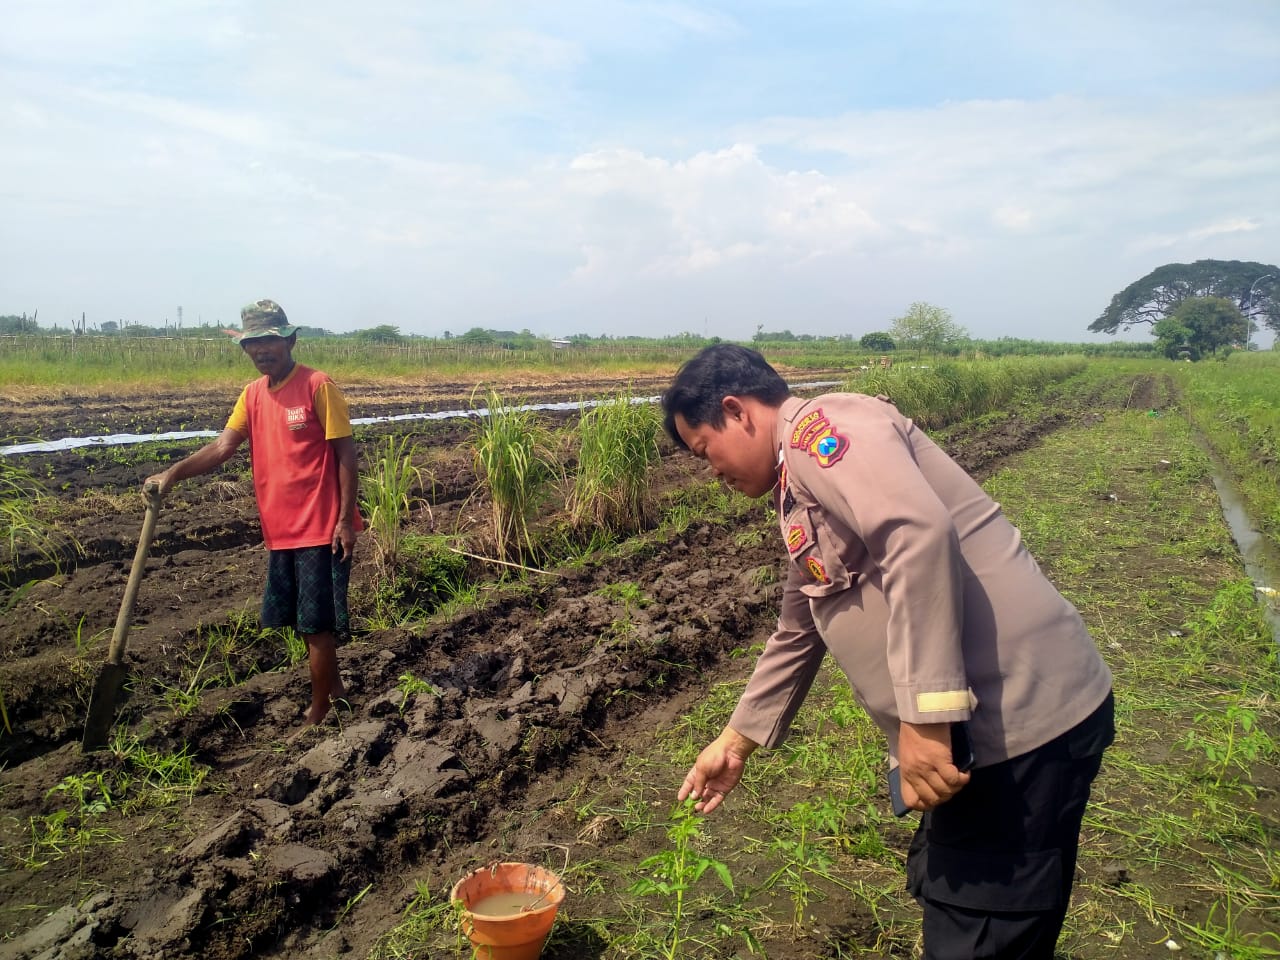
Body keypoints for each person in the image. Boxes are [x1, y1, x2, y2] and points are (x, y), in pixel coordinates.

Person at [662, 343, 1114, 960]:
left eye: (702, 450)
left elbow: (917, 532)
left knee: (982, 927)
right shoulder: (797, 493)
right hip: (981, 733)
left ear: (737, 411)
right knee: (957, 899)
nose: (708, 469)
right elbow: (800, 626)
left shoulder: (826, 429)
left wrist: (926, 718)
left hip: (1018, 726)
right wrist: (735, 742)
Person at [144, 299, 362, 725]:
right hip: (282, 530)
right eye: (253, 344)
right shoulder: (252, 395)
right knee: (306, 624)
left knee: (315, 626)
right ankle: (334, 689)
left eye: (270, 341)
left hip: (321, 527)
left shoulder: (318, 386)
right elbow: (224, 447)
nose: (262, 350)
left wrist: (343, 521)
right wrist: (173, 473)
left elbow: (347, 454)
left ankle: (319, 712)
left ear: (290, 340)